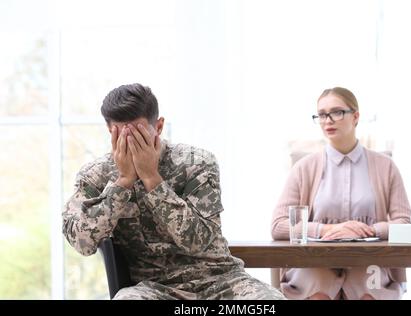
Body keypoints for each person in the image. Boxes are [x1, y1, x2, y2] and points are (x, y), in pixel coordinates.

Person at [63, 83, 285, 300]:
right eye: (121, 136)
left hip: (221, 281)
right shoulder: (96, 175)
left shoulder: (197, 163)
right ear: (110, 131)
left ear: (158, 127)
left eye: (139, 136)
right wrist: (122, 182)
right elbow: (82, 243)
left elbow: (199, 241)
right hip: (153, 288)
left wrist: (152, 179)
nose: (131, 144)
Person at [271, 87, 411, 300]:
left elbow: (404, 224)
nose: (328, 120)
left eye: (337, 112)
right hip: (314, 261)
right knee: (318, 295)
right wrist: (330, 229)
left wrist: (366, 231)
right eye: (322, 114)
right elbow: (279, 226)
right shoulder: (303, 168)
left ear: (355, 116)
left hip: (369, 261)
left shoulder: (386, 167)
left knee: (367, 295)